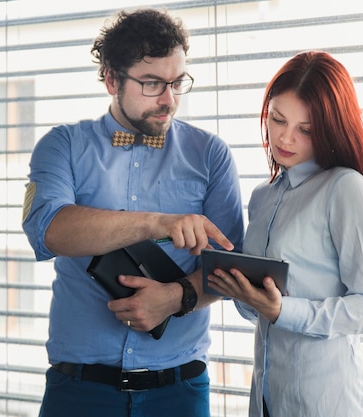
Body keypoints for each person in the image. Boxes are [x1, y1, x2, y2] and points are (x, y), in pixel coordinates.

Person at [21, 8, 244, 417]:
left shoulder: (211, 155)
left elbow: (229, 265)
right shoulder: (62, 147)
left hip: (179, 390)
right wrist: (157, 223)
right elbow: (50, 229)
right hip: (79, 391)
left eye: (177, 82)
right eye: (152, 83)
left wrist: (176, 298)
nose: (169, 99)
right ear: (111, 79)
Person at [206, 51, 363, 417]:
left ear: (328, 128)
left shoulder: (345, 189)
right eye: (277, 119)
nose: (285, 138)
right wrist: (241, 291)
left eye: (304, 129)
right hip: (267, 400)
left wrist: (283, 310)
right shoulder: (263, 196)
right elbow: (259, 311)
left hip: (330, 403)